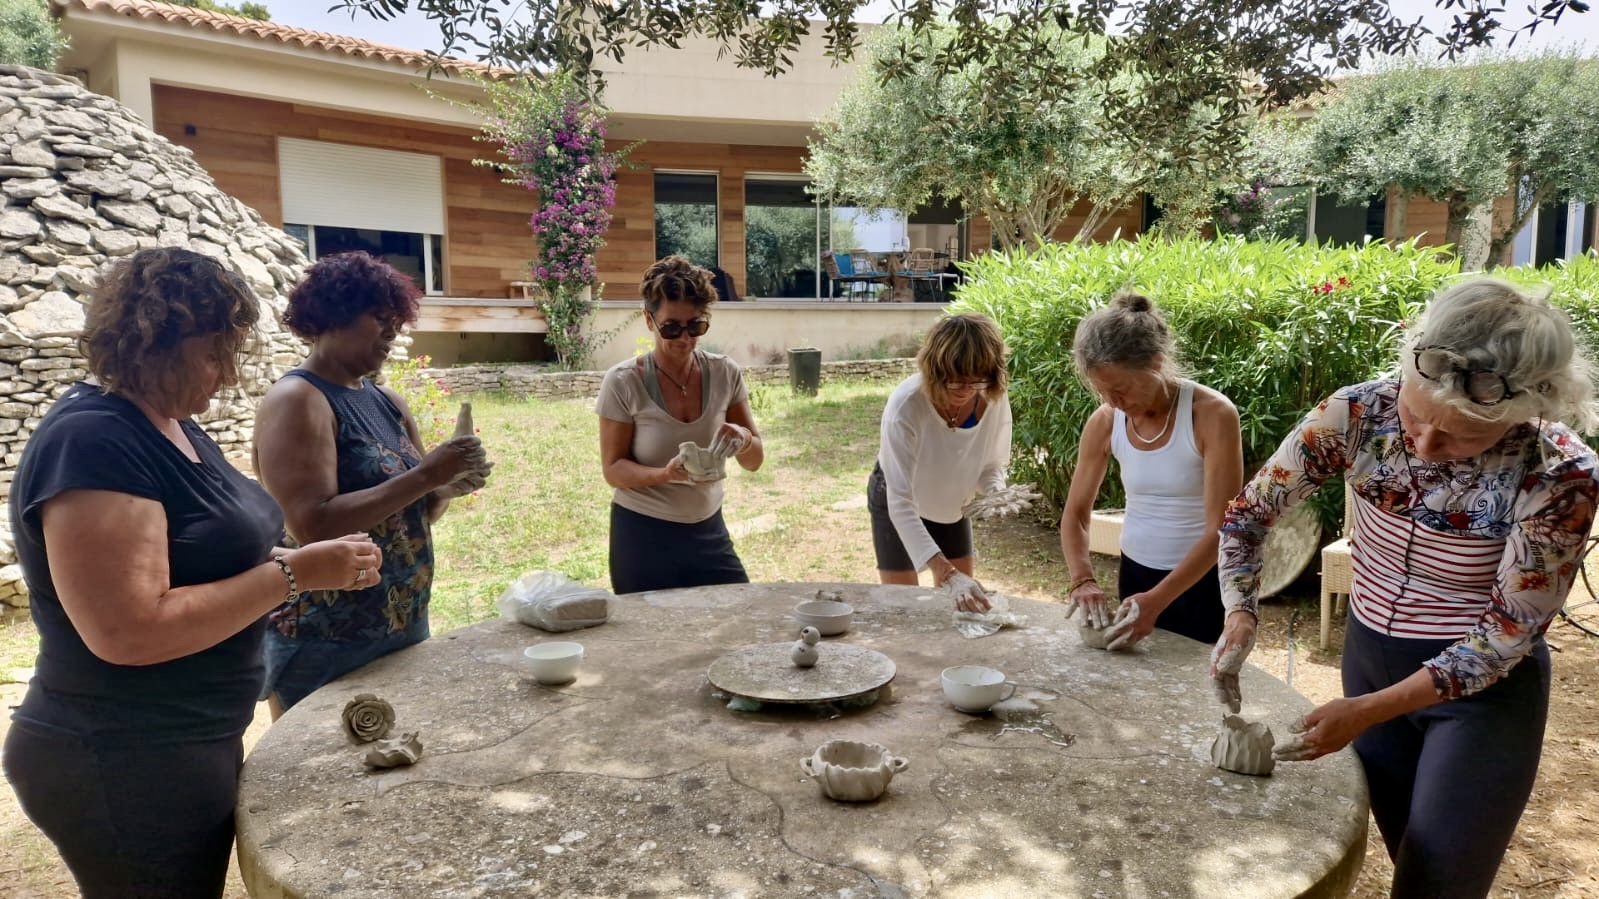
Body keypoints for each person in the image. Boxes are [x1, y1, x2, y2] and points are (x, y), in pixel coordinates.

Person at [2, 248, 380, 898]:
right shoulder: (94, 440)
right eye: (213, 353)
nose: (229, 374)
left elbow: (201, 554)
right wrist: (294, 575)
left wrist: (307, 562)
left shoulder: (168, 422)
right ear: (150, 343)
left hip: (179, 741)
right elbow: (129, 630)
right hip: (121, 756)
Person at [1212, 277, 1599, 899]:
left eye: (1460, 437)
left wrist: (1364, 714)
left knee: (1436, 883)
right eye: (1418, 416)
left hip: (1481, 691)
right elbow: (1249, 515)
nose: (1423, 444)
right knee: (1404, 855)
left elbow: (1504, 636)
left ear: (1530, 411)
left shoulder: (1559, 474)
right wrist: (1240, 612)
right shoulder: (1357, 413)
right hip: (1368, 657)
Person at [253, 252, 491, 715]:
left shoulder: (386, 401)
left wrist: (444, 488)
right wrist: (426, 475)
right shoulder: (299, 399)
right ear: (332, 316)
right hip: (327, 638)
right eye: (379, 318)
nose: (392, 331)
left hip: (401, 623)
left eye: (396, 320)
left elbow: (416, 510)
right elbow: (311, 526)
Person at [1058, 293, 1243, 649]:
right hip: (1135, 575)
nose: (1113, 402)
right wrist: (1082, 579)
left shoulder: (1212, 415)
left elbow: (1221, 529)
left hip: (1200, 584)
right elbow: (1077, 514)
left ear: (1156, 363)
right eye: (1101, 391)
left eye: (1121, 389)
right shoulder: (1106, 421)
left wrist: (1158, 600)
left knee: (1193, 688)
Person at [597, 255, 764, 593]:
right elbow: (613, 470)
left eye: (696, 325)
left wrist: (744, 438)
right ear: (649, 320)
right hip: (643, 536)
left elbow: (754, 461)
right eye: (671, 327)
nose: (685, 338)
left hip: (709, 529)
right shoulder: (624, 382)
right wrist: (666, 474)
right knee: (655, 641)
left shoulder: (724, 372)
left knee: (736, 621)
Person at [871, 312, 1014, 612]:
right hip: (898, 498)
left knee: (962, 605)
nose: (965, 390)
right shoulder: (906, 406)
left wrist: (996, 493)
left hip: (952, 500)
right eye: (955, 380)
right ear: (934, 370)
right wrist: (946, 573)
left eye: (976, 379)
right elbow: (901, 503)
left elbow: (991, 465)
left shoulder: (991, 396)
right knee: (903, 606)